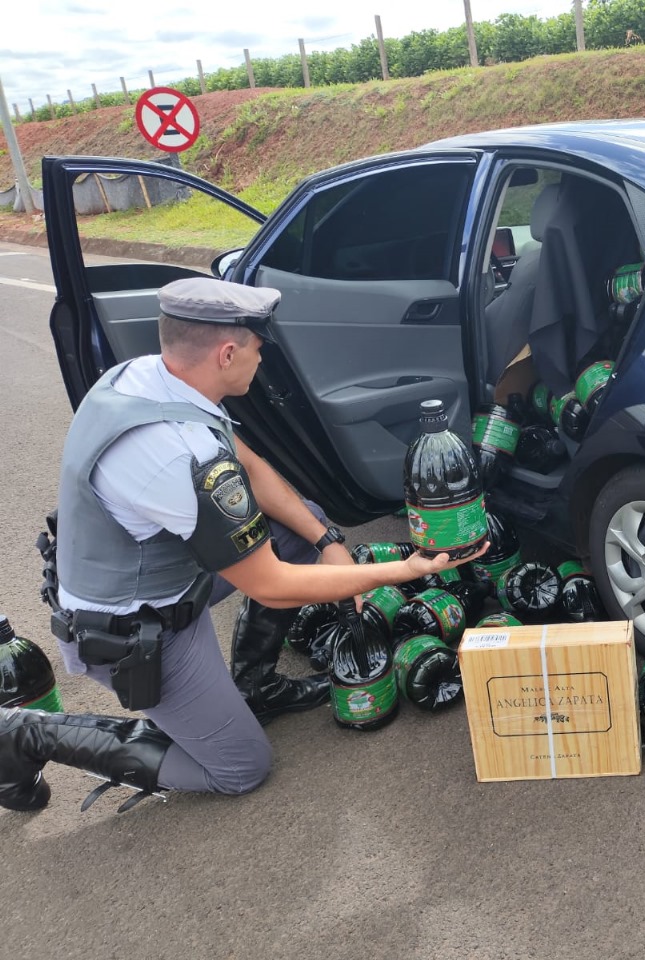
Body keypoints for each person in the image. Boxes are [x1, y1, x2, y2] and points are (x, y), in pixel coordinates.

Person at [0, 277, 482, 814]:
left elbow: (246, 463)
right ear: (227, 353)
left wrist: (327, 540)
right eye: (258, 349)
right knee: (239, 765)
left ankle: (255, 686)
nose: (261, 359)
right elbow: (272, 586)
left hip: (169, 574)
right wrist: (401, 571)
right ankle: (26, 733)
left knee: (304, 528)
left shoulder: (145, 377)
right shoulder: (177, 454)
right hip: (136, 630)